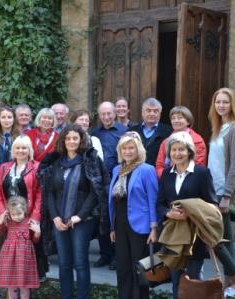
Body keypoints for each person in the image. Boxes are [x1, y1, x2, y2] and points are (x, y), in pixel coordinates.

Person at [157, 132, 235, 299]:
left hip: (194, 237)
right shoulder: (167, 174)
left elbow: (212, 204)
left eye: (181, 149)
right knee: (176, 282)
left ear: (189, 151)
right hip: (173, 236)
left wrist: (192, 211)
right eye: (174, 150)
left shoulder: (202, 173)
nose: (177, 153)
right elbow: (159, 203)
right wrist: (169, 213)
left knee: (193, 282)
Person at [38, 124, 106, 299]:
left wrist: (79, 216)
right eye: (68, 138)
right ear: (63, 140)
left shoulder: (89, 160)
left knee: (81, 262)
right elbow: (50, 192)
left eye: (75, 138)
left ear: (81, 139)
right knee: (64, 262)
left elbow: (95, 191)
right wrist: (54, 217)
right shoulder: (56, 162)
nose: (71, 141)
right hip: (59, 219)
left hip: (82, 220)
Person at [208, 87, 235, 297]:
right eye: (218, 102)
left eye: (225, 102)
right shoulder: (218, 127)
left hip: (223, 192)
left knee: (213, 238)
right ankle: (229, 284)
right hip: (213, 190)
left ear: (232, 104)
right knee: (224, 239)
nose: (221, 105)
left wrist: (226, 196)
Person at [108, 132, 158, 299]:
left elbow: (153, 200)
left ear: (138, 150)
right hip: (120, 225)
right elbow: (113, 201)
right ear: (120, 150)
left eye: (131, 148)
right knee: (123, 267)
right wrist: (112, 227)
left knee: (139, 268)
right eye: (124, 148)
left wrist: (154, 228)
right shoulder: (117, 170)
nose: (128, 151)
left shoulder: (146, 170)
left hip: (140, 226)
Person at [0, 135, 46, 280]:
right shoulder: (4, 167)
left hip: (27, 218)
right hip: (9, 218)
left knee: (28, 259)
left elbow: (40, 194)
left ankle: (27, 293)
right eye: (17, 147)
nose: (21, 150)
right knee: (9, 259)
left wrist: (35, 218)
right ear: (13, 150)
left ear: (29, 150)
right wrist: (2, 212)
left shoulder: (37, 167)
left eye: (24, 148)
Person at [91, 101, 126, 270]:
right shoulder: (94, 133)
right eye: (103, 114)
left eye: (109, 113)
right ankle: (105, 254)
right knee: (102, 218)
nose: (106, 117)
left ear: (115, 113)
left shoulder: (124, 131)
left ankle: (116, 256)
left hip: (118, 179)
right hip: (99, 183)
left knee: (116, 218)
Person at [0, 196, 41, 299]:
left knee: (24, 286)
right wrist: (0, 222)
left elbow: (35, 240)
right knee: (11, 285)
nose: (16, 217)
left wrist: (37, 232)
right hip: (10, 259)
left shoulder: (29, 222)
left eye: (19, 213)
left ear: (25, 210)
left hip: (25, 259)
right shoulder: (8, 222)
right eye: (13, 214)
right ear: (9, 213)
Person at [155, 106, 207, 178]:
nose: (176, 120)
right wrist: (167, 178)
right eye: (173, 118)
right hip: (168, 182)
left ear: (188, 121)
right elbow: (159, 166)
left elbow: (199, 165)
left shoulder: (197, 140)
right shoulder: (166, 142)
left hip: (189, 181)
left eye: (179, 118)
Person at [128, 98, 173, 165]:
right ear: (142, 112)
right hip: (135, 171)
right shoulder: (131, 131)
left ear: (160, 114)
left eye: (155, 111)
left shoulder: (169, 132)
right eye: (148, 110)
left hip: (158, 173)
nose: (152, 114)